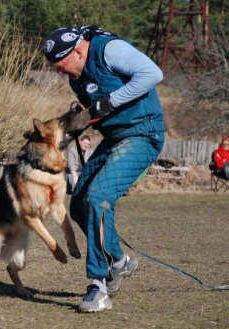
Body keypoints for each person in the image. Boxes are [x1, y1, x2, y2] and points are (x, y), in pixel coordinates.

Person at [44, 25, 165, 312]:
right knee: (78, 208)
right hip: (115, 138)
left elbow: (153, 74)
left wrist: (108, 103)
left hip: (143, 134)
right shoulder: (76, 75)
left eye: (61, 66)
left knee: (98, 197)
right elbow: (92, 108)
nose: (60, 73)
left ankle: (98, 285)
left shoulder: (108, 50)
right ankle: (120, 262)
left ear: (77, 52)